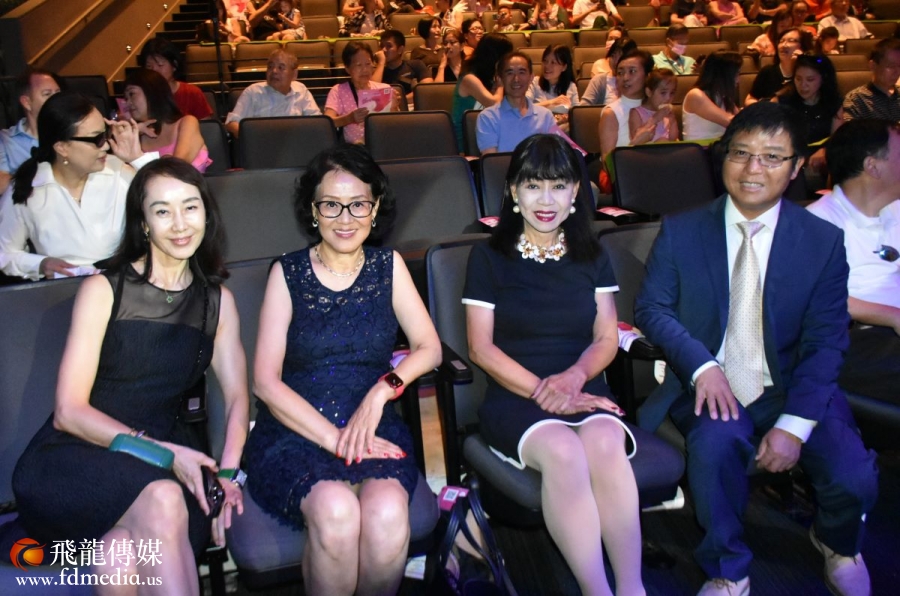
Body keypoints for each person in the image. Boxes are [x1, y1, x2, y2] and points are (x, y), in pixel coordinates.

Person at [634, 101, 879, 596]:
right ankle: (728, 568)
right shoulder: (682, 230)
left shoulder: (822, 241)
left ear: (795, 168)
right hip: (712, 381)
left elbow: (826, 340)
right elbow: (653, 309)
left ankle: (837, 542)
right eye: (741, 153)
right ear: (722, 158)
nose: (752, 168)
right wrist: (701, 366)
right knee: (715, 448)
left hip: (791, 381)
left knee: (852, 474)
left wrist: (793, 425)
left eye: (771, 157)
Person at [12, 156, 250, 592]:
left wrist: (230, 475)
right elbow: (68, 412)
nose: (180, 224)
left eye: (190, 207)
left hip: (169, 456)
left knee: (116, 555)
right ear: (143, 223)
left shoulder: (217, 303)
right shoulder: (104, 290)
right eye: (162, 211)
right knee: (163, 497)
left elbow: (237, 397)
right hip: (79, 455)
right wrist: (166, 456)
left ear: (207, 213)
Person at [245, 144, 441, 596]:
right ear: (313, 211)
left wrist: (383, 390)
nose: (346, 217)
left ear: (375, 207)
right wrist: (334, 439)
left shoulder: (388, 267)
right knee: (336, 512)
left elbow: (429, 348)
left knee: (387, 514)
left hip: (373, 423)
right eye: (331, 204)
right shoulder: (288, 273)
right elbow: (265, 382)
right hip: (296, 428)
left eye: (358, 204)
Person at [463, 134, 644, 596]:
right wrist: (547, 392)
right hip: (515, 396)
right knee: (564, 451)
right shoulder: (487, 256)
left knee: (605, 442)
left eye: (559, 186)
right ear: (513, 191)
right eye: (533, 185)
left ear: (576, 192)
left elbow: (606, 338)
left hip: (583, 387)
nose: (546, 200)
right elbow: (481, 349)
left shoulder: (593, 254)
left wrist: (574, 379)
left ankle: (632, 588)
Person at [0, 93, 157, 281]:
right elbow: (5, 253)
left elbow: (172, 197)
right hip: (66, 290)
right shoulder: (29, 188)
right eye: (96, 139)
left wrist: (137, 158)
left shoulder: (119, 172)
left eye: (105, 135)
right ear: (62, 147)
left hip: (126, 283)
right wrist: (40, 264)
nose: (105, 146)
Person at [806, 119, 900, 416]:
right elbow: (817, 297)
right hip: (859, 342)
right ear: (873, 166)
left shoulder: (895, 210)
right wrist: (894, 316)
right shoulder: (818, 223)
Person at [123, 69, 212, 173]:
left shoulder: (187, 123)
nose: (127, 103)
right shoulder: (136, 135)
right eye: (126, 98)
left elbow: (177, 168)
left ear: (152, 92)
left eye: (132, 94)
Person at [225, 49, 322, 138]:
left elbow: (317, 121)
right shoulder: (253, 92)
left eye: (281, 67)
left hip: (295, 143)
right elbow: (232, 123)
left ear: (294, 74)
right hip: (262, 143)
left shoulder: (301, 90)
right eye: (270, 67)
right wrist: (250, 138)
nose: (274, 71)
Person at [476, 52, 560, 154]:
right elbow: (492, 161)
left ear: (531, 77)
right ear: (500, 79)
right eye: (510, 73)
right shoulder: (488, 118)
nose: (516, 79)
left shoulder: (546, 116)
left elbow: (558, 154)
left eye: (522, 72)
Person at [775, 53, 843, 174]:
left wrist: (825, 151)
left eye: (810, 80)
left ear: (823, 79)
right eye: (798, 79)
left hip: (822, 160)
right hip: (789, 158)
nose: (803, 85)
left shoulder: (833, 102)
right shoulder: (782, 101)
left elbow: (838, 138)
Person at [0, 68, 60, 196]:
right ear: (27, 103)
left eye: (58, 93)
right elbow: (1, 183)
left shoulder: (71, 133)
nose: (57, 99)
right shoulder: (5, 139)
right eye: (47, 94)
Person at [325, 42, 397, 145]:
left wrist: (394, 108)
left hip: (383, 144)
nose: (365, 70)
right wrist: (349, 119)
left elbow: (396, 124)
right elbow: (327, 122)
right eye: (358, 65)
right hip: (354, 149)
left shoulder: (384, 89)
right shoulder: (339, 91)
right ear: (347, 68)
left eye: (368, 64)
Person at [450, 32, 513, 150]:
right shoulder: (469, 78)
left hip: (488, 133)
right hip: (465, 142)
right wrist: (500, 84)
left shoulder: (489, 76)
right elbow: (495, 104)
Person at [138, 38, 213, 122]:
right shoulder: (142, 95)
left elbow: (206, 126)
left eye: (160, 65)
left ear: (174, 65)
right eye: (149, 66)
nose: (154, 70)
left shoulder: (192, 93)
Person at [599, 49, 654, 162]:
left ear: (648, 76)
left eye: (632, 71)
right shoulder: (611, 113)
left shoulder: (660, 107)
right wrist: (636, 143)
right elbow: (607, 163)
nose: (625, 78)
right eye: (620, 73)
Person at [682, 50, 742, 141]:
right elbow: (731, 122)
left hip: (720, 147)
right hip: (700, 148)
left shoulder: (723, 95)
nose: (738, 80)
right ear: (724, 75)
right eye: (737, 74)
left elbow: (741, 117)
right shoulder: (695, 95)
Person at [746, 27, 814, 104]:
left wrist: (803, 61)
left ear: (803, 46)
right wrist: (763, 108)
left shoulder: (810, 72)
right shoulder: (767, 71)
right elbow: (750, 99)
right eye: (781, 41)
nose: (784, 45)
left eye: (791, 41)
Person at [842, 38, 900, 122]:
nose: (897, 72)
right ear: (873, 66)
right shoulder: (856, 100)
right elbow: (848, 129)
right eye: (891, 66)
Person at [527, 45, 580, 127]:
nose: (547, 66)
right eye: (545, 61)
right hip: (537, 127)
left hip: (561, 129)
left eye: (553, 62)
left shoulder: (571, 86)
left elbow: (577, 114)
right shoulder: (535, 82)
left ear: (564, 67)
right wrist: (551, 102)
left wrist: (566, 118)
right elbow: (524, 108)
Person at [375, 29, 433, 103]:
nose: (383, 50)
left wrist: (400, 101)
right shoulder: (379, 71)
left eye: (389, 46)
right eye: (381, 46)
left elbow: (427, 88)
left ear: (400, 49)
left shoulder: (416, 65)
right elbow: (371, 94)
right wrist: (381, 63)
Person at [629, 68, 680, 144]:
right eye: (663, 93)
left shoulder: (668, 114)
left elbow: (673, 139)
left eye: (672, 93)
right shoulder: (636, 113)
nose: (668, 98)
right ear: (649, 92)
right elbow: (636, 139)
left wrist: (673, 122)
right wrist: (655, 118)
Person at [582, 37, 637, 106]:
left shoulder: (638, 81)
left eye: (620, 57)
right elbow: (583, 108)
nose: (615, 62)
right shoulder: (599, 80)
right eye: (613, 56)